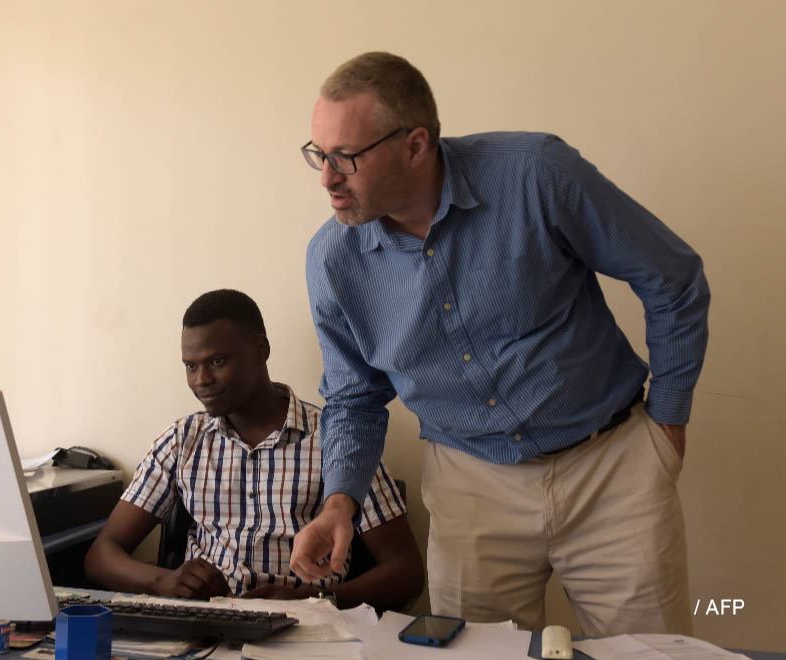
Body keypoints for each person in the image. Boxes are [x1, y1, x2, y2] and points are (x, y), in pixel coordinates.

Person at [291, 52, 709, 635]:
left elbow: (672, 278)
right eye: (319, 154)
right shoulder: (332, 261)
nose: (327, 178)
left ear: (415, 145)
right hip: (469, 487)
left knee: (652, 653)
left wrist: (668, 421)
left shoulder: (536, 175)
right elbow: (353, 398)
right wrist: (341, 502)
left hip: (611, 470)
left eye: (345, 157)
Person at [85, 289, 424, 611]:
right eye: (191, 366)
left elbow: (406, 573)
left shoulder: (338, 439)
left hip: (307, 627)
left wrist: (313, 599)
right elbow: (101, 555)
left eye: (217, 361)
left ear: (261, 350)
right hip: (205, 624)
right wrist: (164, 581)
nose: (201, 380)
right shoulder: (182, 440)